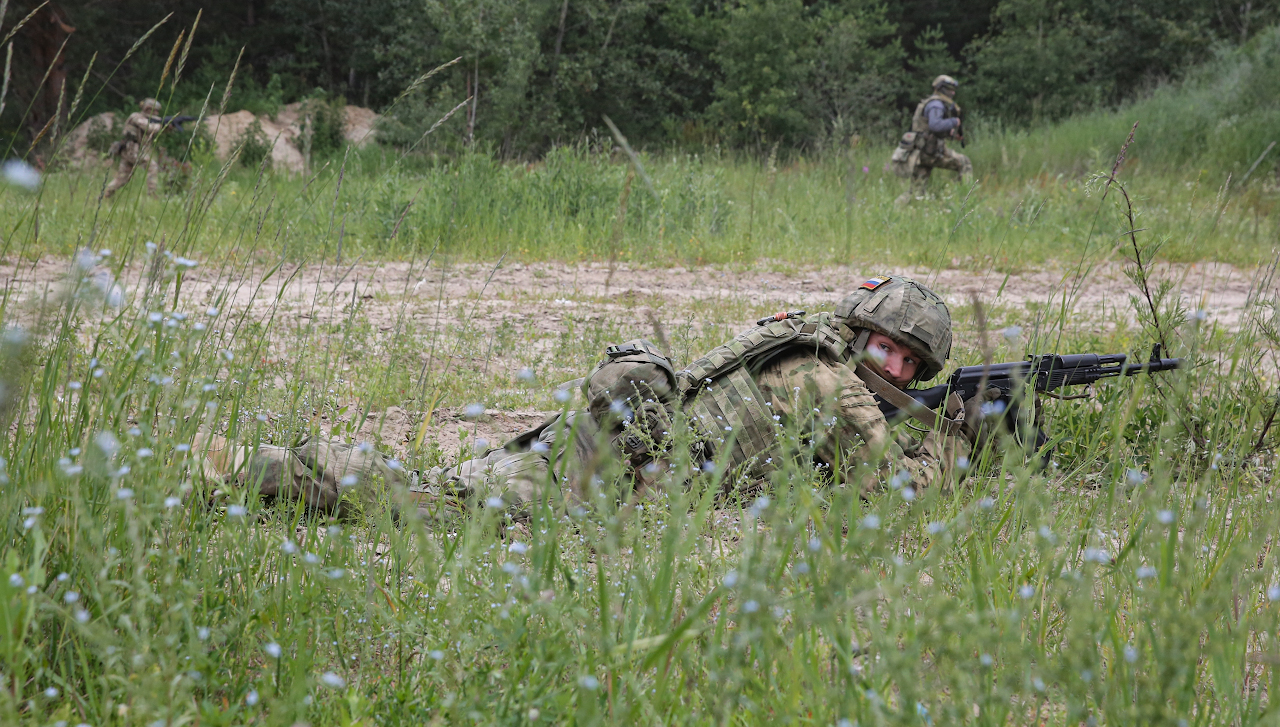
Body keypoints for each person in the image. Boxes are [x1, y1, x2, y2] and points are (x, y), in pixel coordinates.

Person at [196, 276, 995, 517]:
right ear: (860, 334)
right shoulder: (834, 386)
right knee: (442, 510)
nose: (894, 366)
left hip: (613, 436)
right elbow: (894, 493)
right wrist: (957, 435)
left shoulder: (803, 347)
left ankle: (276, 464)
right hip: (617, 475)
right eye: (887, 347)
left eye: (908, 360)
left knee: (450, 486)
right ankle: (258, 470)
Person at [889, 75, 973, 204]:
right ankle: (965, 200)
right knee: (964, 162)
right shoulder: (936, 105)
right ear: (942, 89)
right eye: (950, 89)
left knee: (916, 191)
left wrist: (950, 134)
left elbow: (930, 129)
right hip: (929, 152)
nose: (953, 93)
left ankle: (896, 209)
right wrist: (954, 121)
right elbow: (935, 125)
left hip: (921, 152)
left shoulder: (931, 103)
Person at [103, 97, 165, 200]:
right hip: (131, 150)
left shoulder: (150, 120)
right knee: (152, 166)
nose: (156, 113)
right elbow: (148, 127)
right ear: (147, 109)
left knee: (123, 178)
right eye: (154, 111)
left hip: (133, 151)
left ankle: (105, 195)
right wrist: (161, 125)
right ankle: (152, 194)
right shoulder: (136, 117)